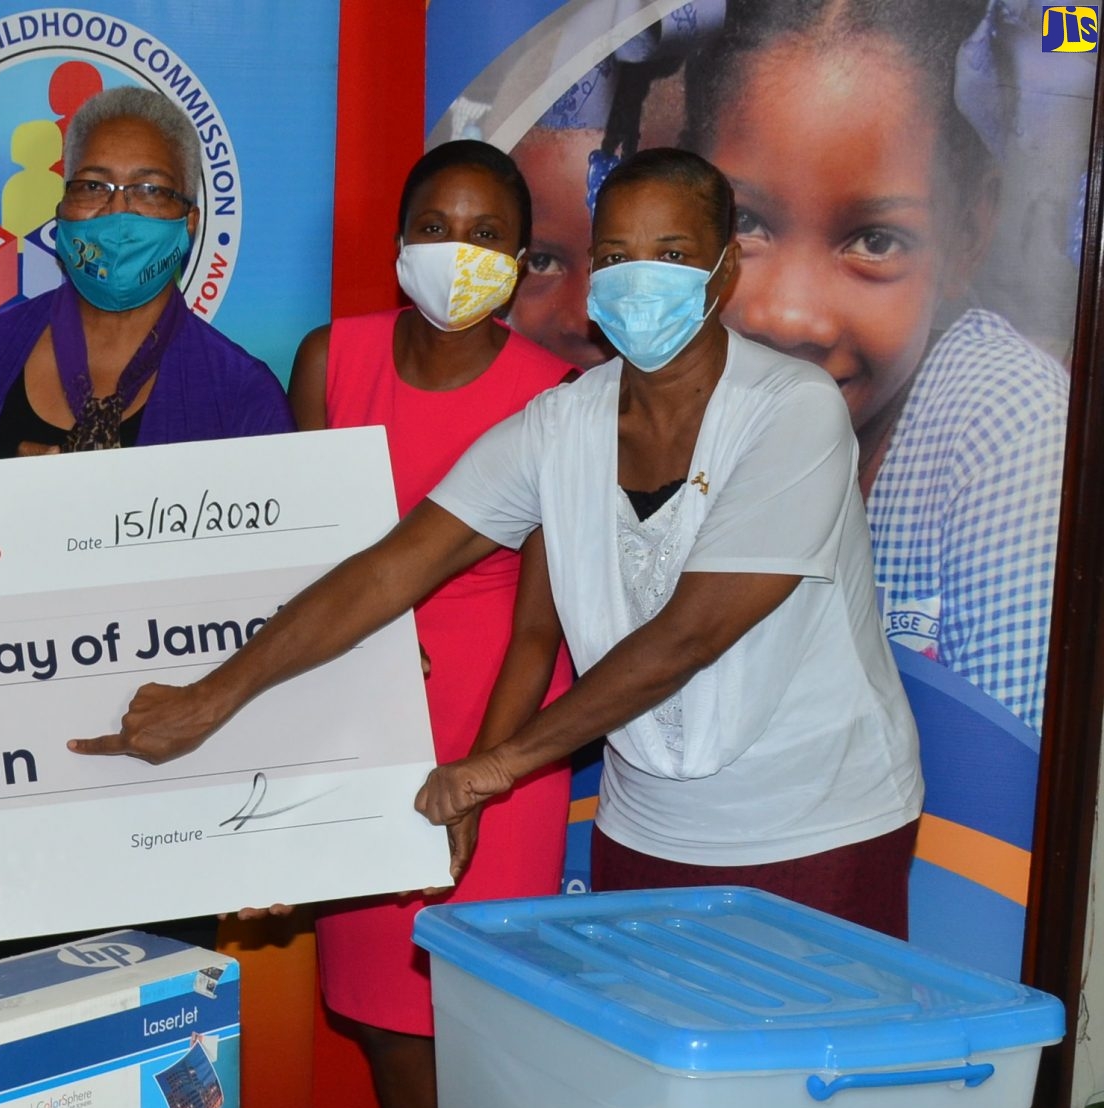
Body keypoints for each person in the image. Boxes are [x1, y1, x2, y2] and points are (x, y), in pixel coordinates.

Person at [76, 150, 924, 936]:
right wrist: (212, 698)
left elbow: (689, 635)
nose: (640, 279)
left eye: (671, 253)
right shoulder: (562, 423)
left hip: (817, 826)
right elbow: (393, 568)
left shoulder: (792, 410)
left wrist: (492, 768)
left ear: (723, 269)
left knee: (796, 1089)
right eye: (619, 256)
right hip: (648, 830)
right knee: (660, 1090)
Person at [288, 141, 573, 1108]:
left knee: (482, 1019)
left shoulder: (558, 396)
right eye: (434, 229)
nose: (456, 253)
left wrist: (480, 776)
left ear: (522, 257)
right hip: (359, 732)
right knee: (385, 1023)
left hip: (497, 728)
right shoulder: (331, 360)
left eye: (485, 235)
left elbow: (539, 626)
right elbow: (303, 572)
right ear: (398, 243)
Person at [680, 0, 1068, 733]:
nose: (792, 318)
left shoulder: (1007, 428)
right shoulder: (674, 404)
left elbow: (1003, 791)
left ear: (967, 234)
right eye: (746, 224)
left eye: (876, 242)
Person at [0, 85, 291, 463]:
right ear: (62, 210)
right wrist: (3, 495)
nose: (118, 210)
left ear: (189, 221)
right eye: (93, 186)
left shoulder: (243, 396)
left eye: (150, 189)